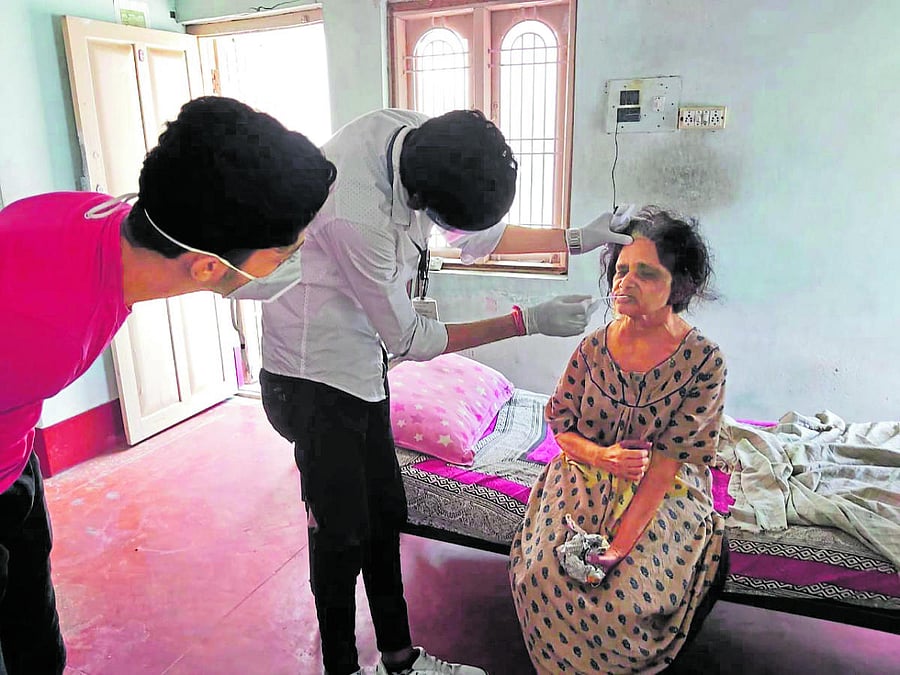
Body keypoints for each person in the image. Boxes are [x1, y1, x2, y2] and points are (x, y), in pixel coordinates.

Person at [258, 108, 632, 675]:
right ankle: (342, 668)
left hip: (361, 366)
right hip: (311, 378)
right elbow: (411, 338)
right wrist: (526, 320)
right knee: (341, 535)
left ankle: (399, 661)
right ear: (420, 200)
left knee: (385, 514)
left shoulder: (425, 142)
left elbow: (480, 235)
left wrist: (578, 239)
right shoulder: (355, 213)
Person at [0, 95, 336, 675]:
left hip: (15, 452)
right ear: (208, 266)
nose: (292, 263)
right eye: (286, 253)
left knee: (33, 629)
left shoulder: (97, 214)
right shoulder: (54, 330)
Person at [509, 206, 729, 674]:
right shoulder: (593, 348)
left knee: (624, 601)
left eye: (646, 273)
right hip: (582, 474)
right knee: (543, 575)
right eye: (621, 270)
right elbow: (561, 426)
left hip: (663, 489)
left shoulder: (704, 361)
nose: (626, 282)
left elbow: (667, 467)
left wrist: (616, 551)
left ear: (679, 287)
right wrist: (603, 456)